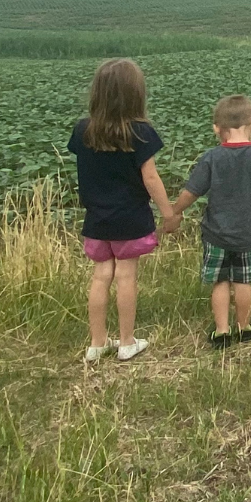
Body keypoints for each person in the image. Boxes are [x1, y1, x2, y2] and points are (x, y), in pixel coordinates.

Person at [160, 93, 251, 348]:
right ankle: (244, 328)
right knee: (243, 282)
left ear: (216, 128)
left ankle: (221, 331)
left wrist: (174, 211)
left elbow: (192, 192)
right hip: (248, 234)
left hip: (215, 233)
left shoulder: (212, 157)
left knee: (220, 281)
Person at [68, 58, 174, 364]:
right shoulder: (140, 132)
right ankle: (127, 342)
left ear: (97, 93)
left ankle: (97, 343)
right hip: (130, 217)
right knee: (126, 276)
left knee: (101, 276)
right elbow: (150, 178)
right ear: (135, 94)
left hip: (97, 218)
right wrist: (168, 213)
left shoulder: (83, 131)